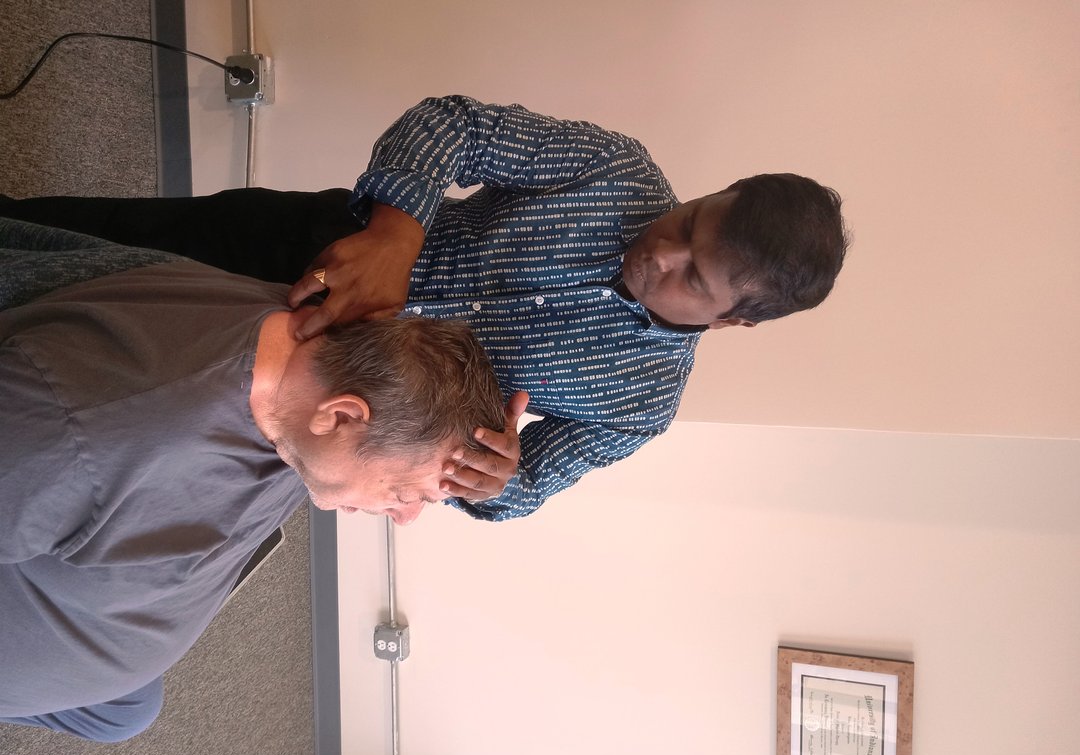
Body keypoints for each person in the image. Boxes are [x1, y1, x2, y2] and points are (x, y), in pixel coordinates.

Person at [0, 95, 850, 521]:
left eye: (695, 278)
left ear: (732, 321)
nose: (663, 251)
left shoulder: (641, 403)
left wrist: (498, 479)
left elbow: (526, 487)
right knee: (92, 244)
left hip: (316, 400)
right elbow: (454, 125)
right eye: (691, 220)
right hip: (311, 246)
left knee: (102, 389)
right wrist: (397, 235)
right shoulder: (615, 171)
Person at [0, 217, 505, 742]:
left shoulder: (301, 373)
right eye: (405, 494)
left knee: (124, 715)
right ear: (340, 416)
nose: (404, 516)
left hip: (105, 657)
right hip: (54, 616)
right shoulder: (84, 432)